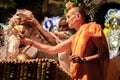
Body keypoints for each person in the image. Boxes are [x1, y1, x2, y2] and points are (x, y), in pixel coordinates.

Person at [20, 7, 109, 80]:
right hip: (78, 76)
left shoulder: (92, 28)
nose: (67, 21)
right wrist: (30, 43)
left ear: (78, 16)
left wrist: (84, 60)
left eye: (69, 17)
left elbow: (104, 53)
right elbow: (53, 50)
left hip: (91, 75)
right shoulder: (74, 37)